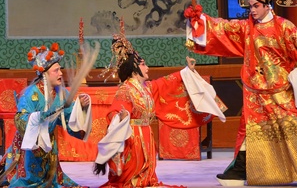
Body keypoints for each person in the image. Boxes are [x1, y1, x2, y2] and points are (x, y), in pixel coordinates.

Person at [184, 0, 297, 186]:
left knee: (294, 131)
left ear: (267, 5)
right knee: (251, 134)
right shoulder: (247, 29)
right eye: (250, 6)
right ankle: (239, 172)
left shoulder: (284, 28)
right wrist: (200, 21)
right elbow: (224, 29)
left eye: (256, 6)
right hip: (255, 95)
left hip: (281, 93)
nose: (253, 10)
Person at [92, 32, 226, 188]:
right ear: (134, 69)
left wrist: (186, 72)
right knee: (129, 178)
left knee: (146, 175)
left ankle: (144, 178)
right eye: (143, 65)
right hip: (133, 137)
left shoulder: (146, 88)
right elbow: (114, 111)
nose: (147, 68)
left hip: (146, 133)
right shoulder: (126, 89)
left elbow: (166, 83)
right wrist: (120, 117)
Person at [0, 42, 92, 188]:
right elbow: (20, 119)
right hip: (31, 145)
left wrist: (81, 107)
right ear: (45, 74)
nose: (61, 73)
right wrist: (41, 116)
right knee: (29, 181)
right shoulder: (30, 94)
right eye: (56, 71)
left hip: (49, 145)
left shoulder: (61, 93)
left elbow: (69, 116)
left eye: (60, 70)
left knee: (51, 181)